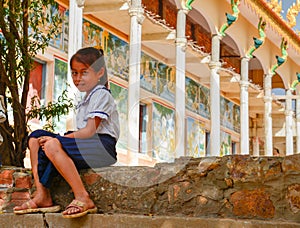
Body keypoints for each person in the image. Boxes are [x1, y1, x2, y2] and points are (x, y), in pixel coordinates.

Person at [13, 47, 120, 219]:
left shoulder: (102, 95)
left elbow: (90, 131)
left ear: (100, 72)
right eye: (74, 73)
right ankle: (42, 195)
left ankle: (83, 197)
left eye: (84, 73)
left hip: (102, 147)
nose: (78, 78)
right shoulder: (85, 98)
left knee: (51, 143)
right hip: (86, 144)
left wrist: (60, 139)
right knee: (35, 137)